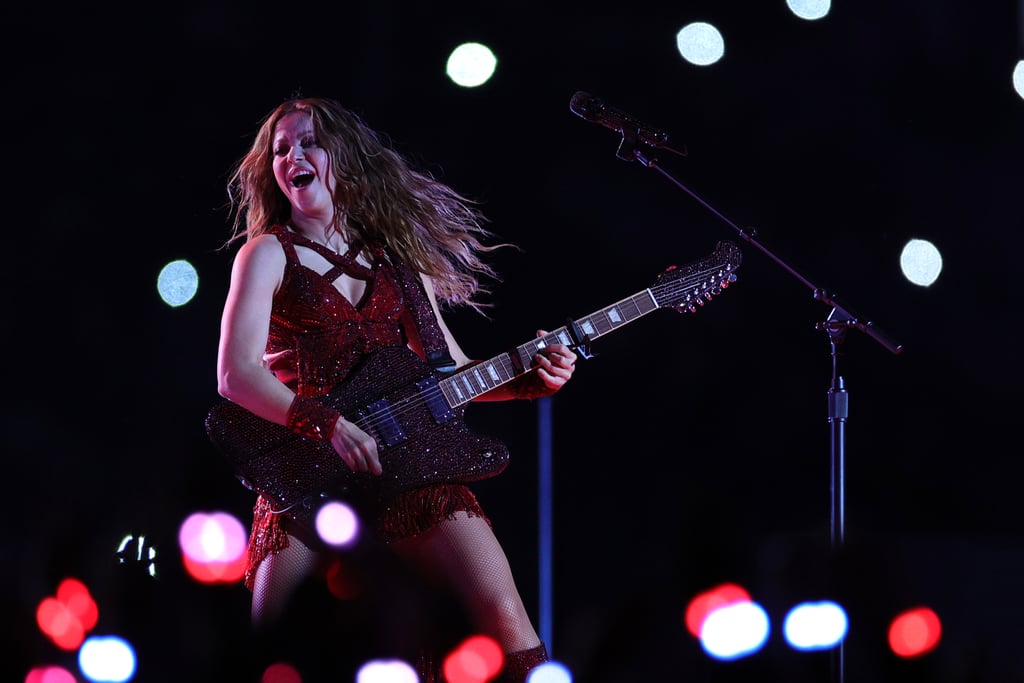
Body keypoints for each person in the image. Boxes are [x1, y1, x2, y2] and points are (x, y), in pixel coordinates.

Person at [214, 96, 577, 682]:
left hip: (411, 467)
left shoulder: (393, 259)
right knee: (273, 661)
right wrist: (325, 423)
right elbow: (236, 375)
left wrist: (526, 385)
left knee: (510, 630)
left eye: (307, 142)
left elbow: (451, 370)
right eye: (280, 150)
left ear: (345, 157)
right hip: (309, 478)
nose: (292, 157)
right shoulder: (266, 254)